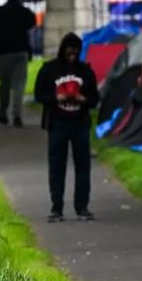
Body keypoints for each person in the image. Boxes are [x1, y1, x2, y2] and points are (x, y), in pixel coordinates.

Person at [34, 33, 100, 223]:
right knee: (56, 167)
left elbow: (95, 98)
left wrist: (83, 99)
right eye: (69, 53)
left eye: (76, 53)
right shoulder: (49, 69)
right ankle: (57, 207)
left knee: (83, 166)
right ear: (63, 51)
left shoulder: (85, 71)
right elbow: (39, 95)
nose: (72, 56)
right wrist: (56, 99)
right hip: (57, 122)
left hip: (79, 122)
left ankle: (82, 207)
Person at [0, 0, 37, 127]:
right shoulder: (24, 12)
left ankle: (2, 112)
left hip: (3, 53)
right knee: (19, 85)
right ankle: (17, 115)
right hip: (21, 52)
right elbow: (32, 24)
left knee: (5, 84)